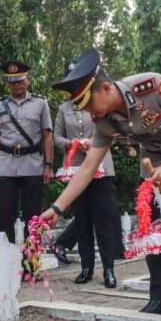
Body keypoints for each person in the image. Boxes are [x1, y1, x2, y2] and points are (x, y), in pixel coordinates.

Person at [43, 48, 161, 320]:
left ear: (105, 88)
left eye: (89, 105)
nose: (89, 114)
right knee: (151, 224)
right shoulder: (103, 121)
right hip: (153, 156)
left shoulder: (151, 86)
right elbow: (88, 167)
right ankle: (160, 299)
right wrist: (56, 209)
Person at [54, 85, 119, 288]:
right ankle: (86, 268)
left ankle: (109, 269)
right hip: (75, 169)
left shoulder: (99, 102)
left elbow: (113, 130)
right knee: (82, 221)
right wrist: (72, 143)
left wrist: (93, 142)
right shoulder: (64, 109)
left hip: (101, 168)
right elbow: (56, 138)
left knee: (104, 221)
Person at [0, 61, 54, 243]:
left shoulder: (41, 103)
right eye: (12, 82)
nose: (16, 85)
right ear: (7, 83)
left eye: (19, 81)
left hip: (33, 164)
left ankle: (31, 264)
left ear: (27, 81)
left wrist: (48, 166)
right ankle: (5, 261)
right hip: (5, 165)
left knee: (33, 218)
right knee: (5, 217)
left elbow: (47, 136)